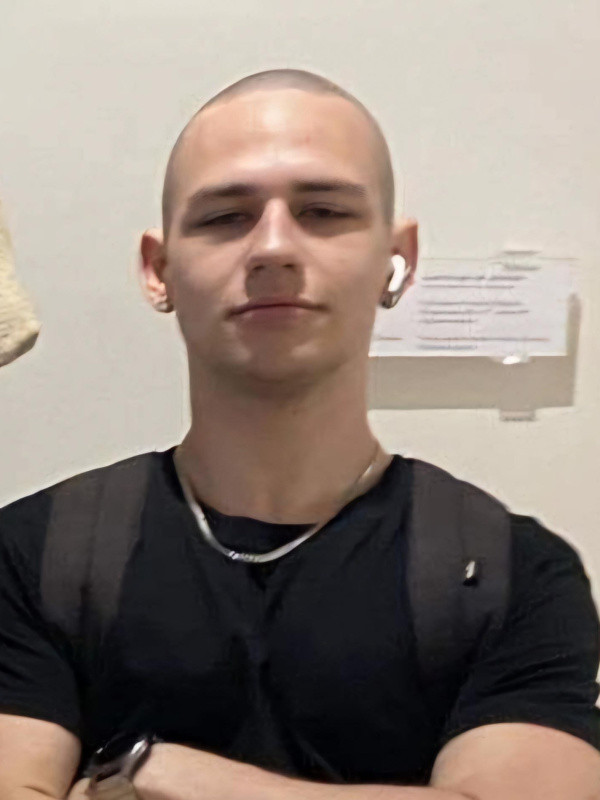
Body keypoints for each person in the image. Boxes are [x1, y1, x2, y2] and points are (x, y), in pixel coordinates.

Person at [1, 69, 599, 800]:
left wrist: (156, 774)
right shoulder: (31, 557)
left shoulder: (515, 574)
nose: (274, 247)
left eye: (323, 211)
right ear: (159, 271)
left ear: (398, 260)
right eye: (226, 217)